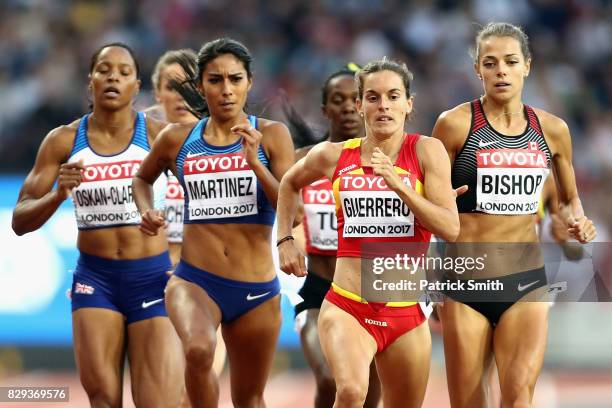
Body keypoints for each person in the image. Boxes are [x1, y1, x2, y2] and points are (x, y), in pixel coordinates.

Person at [277, 58, 460, 408]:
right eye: (373, 97)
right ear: (360, 105)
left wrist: (400, 186)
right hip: (347, 305)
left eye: (393, 96)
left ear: (409, 103)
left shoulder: (426, 151)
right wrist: (284, 238)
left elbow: (450, 228)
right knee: (349, 392)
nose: (383, 106)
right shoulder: (332, 156)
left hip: (406, 313)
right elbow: (289, 183)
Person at [432, 22, 597, 407]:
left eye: (510, 62)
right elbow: (432, 210)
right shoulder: (454, 125)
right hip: (465, 284)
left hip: (526, 283)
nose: (500, 71)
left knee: (519, 393)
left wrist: (577, 222)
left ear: (527, 66)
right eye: (490, 63)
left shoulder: (553, 130)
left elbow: (569, 202)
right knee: (469, 401)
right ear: (477, 69)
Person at [11, 43, 184, 407]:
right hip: (96, 281)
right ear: (90, 81)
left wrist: (186, 266)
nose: (113, 78)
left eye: (124, 72)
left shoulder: (159, 137)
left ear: (137, 86)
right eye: (104, 70)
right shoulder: (62, 141)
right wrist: (58, 195)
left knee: (157, 402)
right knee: (103, 400)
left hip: (153, 278)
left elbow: (206, 205)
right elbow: (20, 220)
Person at [132, 37, 294, 407]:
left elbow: (291, 207)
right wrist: (145, 209)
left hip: (256, 289)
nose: (226, 90)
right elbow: (142, 179)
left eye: (235, 79)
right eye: (215, 80)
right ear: (201, 85)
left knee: (249, 399)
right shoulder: (178, 139)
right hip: (194, 281)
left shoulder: (271, 135)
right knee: (200, 351)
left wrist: (255, 162)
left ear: (249, 82)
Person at [283, 64, 381, 408]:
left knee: (368, 392)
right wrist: (287, 240)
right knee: (330, 379)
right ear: (325, 110)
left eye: (354, 98)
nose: (346, 106)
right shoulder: (305, 161)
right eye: (336, 100)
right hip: (319, 288)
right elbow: (287, 206)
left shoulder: (386, 160)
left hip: (374, 289)